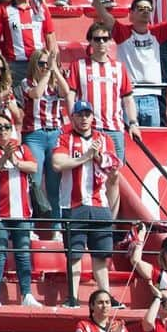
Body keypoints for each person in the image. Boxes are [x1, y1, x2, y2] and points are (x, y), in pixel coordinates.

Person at [91, 0, 167, 128]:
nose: (145, 12)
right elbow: (105, 16)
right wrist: (95, 1)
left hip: (151, 99)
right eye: (141, 9)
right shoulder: (122, 32)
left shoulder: (157, 32)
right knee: (129, 144)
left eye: (149, 9)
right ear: (131, 14)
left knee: (153, 141)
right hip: (129, 96)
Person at [53, 105, 119, 301]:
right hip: (73, 204)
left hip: (100, 203)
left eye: (87, 115)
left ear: (92, 117)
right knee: (74, 253)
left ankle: (106, 296)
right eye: (80, 115)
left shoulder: (105, 139)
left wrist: (97, 156)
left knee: (101, 255)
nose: (83, 119)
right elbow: (57, 163)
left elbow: (114, 168)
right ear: (73, 117)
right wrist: (85, 157)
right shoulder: (65, 138)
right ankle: (72, 296)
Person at [68, 24, 139, 166]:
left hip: (114, 129)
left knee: (115, 172)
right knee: (87, 171)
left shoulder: (119, 67)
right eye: (97, 39)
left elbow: (128, 99)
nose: (101, 42)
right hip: (87, 128)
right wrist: (73, 119)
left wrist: (133, 123)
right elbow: (70, 95)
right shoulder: (78, 65)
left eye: (105, 39)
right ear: (90, 41)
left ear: (110, 41)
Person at [0, 114, 36, 307]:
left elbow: (33, 167)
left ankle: (27, 295)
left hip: (21, 211)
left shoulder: (23, 149)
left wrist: (14, 160)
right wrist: (4, 157)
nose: (3, 130)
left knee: (23, 252)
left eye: (7, 127)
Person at [15, 49, 68, 232]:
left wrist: (56, 70)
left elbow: (66, 91)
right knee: (34, 183)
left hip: (54, 134)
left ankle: (56, 229)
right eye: (42, 63)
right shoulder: (25, 82)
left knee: (54, 187)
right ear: (34, 65)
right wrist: (48, 74)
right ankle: (29, 228)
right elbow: (36, 94)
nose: (45, 67)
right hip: (34, 135)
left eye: (47, 63)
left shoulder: (54, 82)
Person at [0, 0, 56, 87]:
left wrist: (51, 62)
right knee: (18, 99)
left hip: (39, 64)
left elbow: (50, 38)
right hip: (15, 66)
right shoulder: (3, 9)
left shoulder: (40, 8)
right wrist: (3, 65)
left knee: (40, 99)